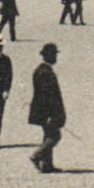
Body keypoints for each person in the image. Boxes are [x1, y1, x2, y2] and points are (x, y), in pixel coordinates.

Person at [28, 43, 66, 174]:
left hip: (42, 111)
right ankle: (37, 154)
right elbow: (47, 96)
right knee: (55, 136)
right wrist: (51, 114)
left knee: (48, 135)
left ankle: (47, 165)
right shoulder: (46, 72)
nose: (56, 57)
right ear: (48, 56)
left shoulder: (40, 70)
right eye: (54, 55)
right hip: (48, 111)